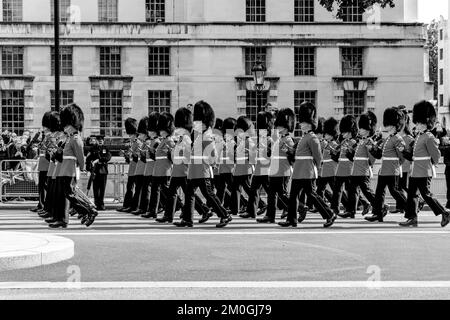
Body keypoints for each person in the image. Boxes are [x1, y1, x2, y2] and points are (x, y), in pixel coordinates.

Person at [175, 100, 233, 228]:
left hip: (203, 170)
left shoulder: (207, 136)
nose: (195, 124)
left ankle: (224, 215)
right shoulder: (197, 135)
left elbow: (213, 156)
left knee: (209, 194)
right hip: (194, 169)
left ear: (205, 123)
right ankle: (187, 219)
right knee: (189, 193)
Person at [279, 102, 336, 228]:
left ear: (309, 123)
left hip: (307, 171)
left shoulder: (312, 137)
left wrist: (318, 169)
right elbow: (297, 154)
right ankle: (291, 219)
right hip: (299, 171)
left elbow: (318, 156)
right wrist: (288, 150)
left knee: (312, 195)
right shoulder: (304, 138)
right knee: (293, 196)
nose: (300, 124)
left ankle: (329, 214)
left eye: (303, 122)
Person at [400, 101, 450, 227]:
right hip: (415, 170)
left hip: (424, 170)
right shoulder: (418, 136)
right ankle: (412, 217)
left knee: (426, 195)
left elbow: (436, 155)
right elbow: (413, 156)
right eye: (416, 122)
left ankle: (444, 212)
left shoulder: (429, 137)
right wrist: (404, 152)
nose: (417, 125)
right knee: (412, 195)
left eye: (420, 123)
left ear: (427, 123)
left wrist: (431, 164)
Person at [157, 107, 211, 223]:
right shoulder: (181, 138)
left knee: (189, 195)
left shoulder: (185, 139)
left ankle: (204, 210)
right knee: (171, 194)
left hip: (184, 171)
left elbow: (187, 155)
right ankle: (168, 215)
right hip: (177, 170)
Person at [50, 104, 98, 228]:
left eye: (67, 125)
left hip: (70, 170)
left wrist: (83, 168)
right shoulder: (70, 139)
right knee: (70, 193)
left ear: (72, 125)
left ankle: (89, 210)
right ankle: (88, 209)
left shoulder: (76, 139)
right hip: (64, 169)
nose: (65, 128)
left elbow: (80, 156)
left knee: (70, 193)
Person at [366, 107, 407, 223]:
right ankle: (377, 213)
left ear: (394, 125)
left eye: (388, 124)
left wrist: (396, 166)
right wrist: (372, 148)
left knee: (395, 192)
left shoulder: (397, 139)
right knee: (379, 193)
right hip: (384, 170)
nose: (386, 126)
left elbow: (402, 156)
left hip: (392, 170)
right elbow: (379, 155)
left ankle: (410, 209)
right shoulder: (388, 139)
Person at [257, 108, 295, 224]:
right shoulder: (277, 138)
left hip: (282, 170)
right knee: (272, 194)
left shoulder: (288, 140)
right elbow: (271, 153)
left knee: (282, 194)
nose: (277, 128)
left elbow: (292, 155)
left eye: (279, 126)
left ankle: (298, 207)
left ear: (285, 127)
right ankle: (270, 216)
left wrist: (287, 150)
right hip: (274, 170)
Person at [344, 111, 378, 218]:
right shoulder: (360, 141)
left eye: (362, 128)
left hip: (363, 170)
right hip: (356, 170)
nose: (360, 130)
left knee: (367, 191)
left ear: (368, 129)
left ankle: (380, 206)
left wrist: (367, 166)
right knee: (352, 190)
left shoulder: (368, 141)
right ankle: (350, 211)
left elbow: (372, 158)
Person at [241, 111, 274, 219]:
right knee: (253, 190)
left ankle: (287, 208)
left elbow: (271, 153)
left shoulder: (270, 139)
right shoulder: (260, 138)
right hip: (259, 168)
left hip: (267, 168)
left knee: (271, 192)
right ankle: (251, 211)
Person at [144, 112, 176, 219]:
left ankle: (176, 206)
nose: (160, 132)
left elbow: (173, 158)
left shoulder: (170, 141)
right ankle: (153, 211)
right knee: (155, 191)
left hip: (165, 170)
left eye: (162, 130)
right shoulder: (164, 141)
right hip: (157, 170)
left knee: (167, 192)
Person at [30, 112, 54, 213]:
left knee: (45, 187)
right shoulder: (46, 138)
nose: (43, 128)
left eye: (44, 126)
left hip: (47, 165)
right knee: (41, 187)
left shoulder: (50, 138)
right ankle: (41, 204)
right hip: (42, 164)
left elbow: (50, 151)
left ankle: (44, 205)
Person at [117, 118, 139, 212]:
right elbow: (130, 158)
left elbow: (138, 157)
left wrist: (130, 154)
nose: (130, 136)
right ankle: (127, 205)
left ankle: (131, 206)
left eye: (131, 135)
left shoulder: (138, 142)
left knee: (133, 188)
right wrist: (126, 155)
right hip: (132, 168)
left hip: (137, 169)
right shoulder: (133, 142)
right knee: (129, 187)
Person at [86, 135, 112, 211]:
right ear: (96, 141)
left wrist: (99, 160)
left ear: (103, 141)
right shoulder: (92, 148)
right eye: (99, 140)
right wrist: (89, 169)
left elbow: (108, 157)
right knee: (95, 188)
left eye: (101, 140)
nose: (100, 141)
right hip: (95, 171)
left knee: (102, 189)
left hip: (103, 170)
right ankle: (96, 204)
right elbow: (88, 159)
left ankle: (101, 204)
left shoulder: (106, 148)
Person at [128, 117, 148, 213]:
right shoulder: (142, 142)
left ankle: (142, 207)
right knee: (139, 189)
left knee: (143, 190)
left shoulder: (141, 142)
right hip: (137, 168)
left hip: (144, 169)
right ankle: (138, 207)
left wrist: (136, 153)